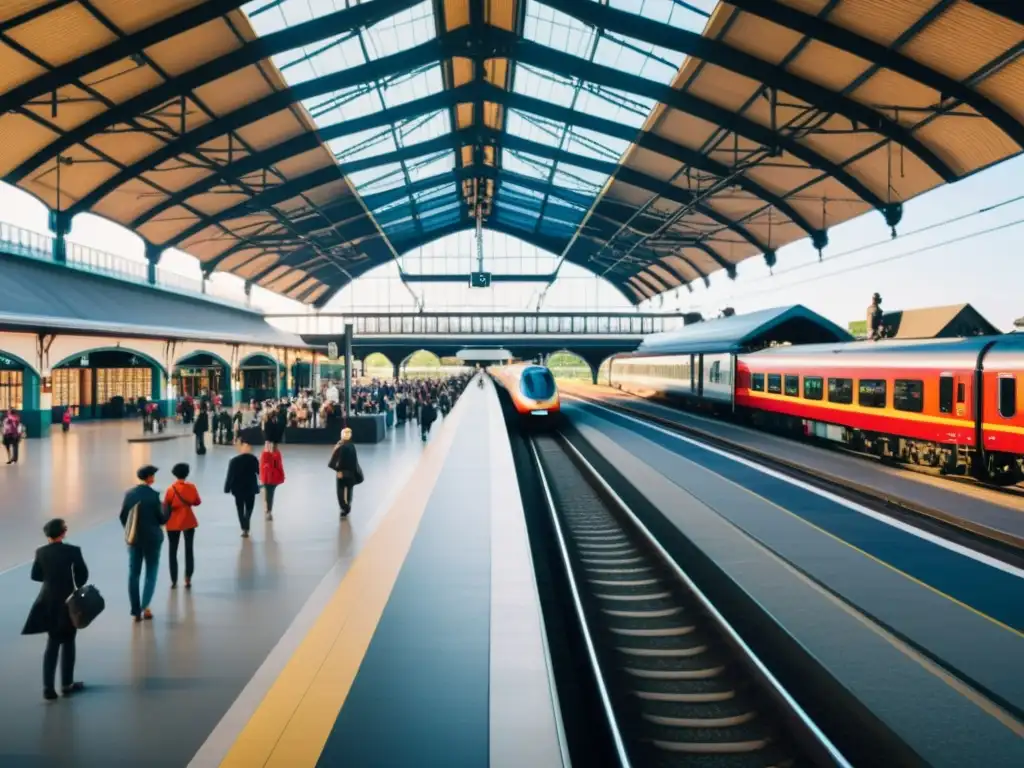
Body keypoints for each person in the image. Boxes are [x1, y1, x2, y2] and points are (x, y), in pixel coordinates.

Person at [22, 518, 88, 700]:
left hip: (48, 601)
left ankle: (48, 689)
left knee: (52, 644)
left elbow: (36, 575)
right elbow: (83, 574)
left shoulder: (41, 552)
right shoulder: (73, 551)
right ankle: (67, 684)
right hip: (67, 601)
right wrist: (76, 584)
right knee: (69, 641)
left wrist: (50, 578)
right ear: (63, 532)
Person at [120, 465, 168, 623]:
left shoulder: (129, 494)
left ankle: (135, 611)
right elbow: (162, 519)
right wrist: (168, 510)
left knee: (134, 573)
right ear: (150, 478)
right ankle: (145, 606)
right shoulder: (153, 496)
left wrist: (130, 530)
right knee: (151, 572)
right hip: (153, 539)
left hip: (134, 539)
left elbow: (123, 516)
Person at [164, 463, 200, 589]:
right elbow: (197, 502)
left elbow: (165, 505)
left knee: (172, 551)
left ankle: (174, 580)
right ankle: (188, 578)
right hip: (189, 521)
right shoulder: (191, 487)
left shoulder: (170, 489)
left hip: (173, 523)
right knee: (189, 549)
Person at [224, 440, 260, 538]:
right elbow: (259, 471)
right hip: (250, 487)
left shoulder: (234, 461)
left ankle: (244, 527)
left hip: (238, 488)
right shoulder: (253, 459)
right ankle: (247, 523)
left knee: (240, 508)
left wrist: (227, 488)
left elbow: (230, 475)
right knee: (249, 507)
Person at [329, 428, 359, 518]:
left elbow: (337, 460)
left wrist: (338, 470)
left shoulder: (340, 447)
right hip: (351, 472)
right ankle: (348, 504)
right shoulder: (352, 446)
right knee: (349, 489)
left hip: (341, 472)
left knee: (340, 491)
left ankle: (344, 507)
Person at [259, 442, 285, 521]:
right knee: (269, 494)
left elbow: (279, 465)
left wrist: (281, 475)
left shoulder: (276, 454)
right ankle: (268, 511)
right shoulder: (266, 454)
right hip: (268, 478)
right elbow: (262, 467)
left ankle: (268, 510)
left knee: (269, 494)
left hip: (273, 478)